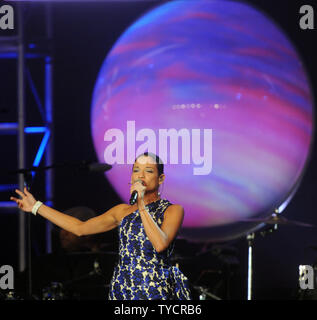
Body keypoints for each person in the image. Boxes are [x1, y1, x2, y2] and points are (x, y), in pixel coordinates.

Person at [10, 152, 192, 300]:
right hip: (124, 289)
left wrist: (142, 205)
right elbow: (79, 228)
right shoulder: (122, 211)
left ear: (160, 178)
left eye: (148, 171)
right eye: (136, 170)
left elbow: (160, 244)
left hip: (157, 290)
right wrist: (36, 207)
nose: (141, 175)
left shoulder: (173, 210)